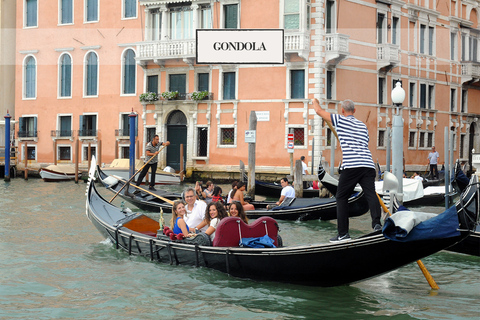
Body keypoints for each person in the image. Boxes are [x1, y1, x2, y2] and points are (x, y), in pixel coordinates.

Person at [313, 98, 381, 242]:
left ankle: (343, 234)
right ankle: (377, 225)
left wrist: (314, 100)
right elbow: (363, 143)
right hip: (368, 165)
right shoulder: (363, 125)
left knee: (341, 197)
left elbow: (319, 111)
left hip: (352, 166)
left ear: (342, 111)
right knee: (371, 194)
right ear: (354, 111)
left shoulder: (339, 120)